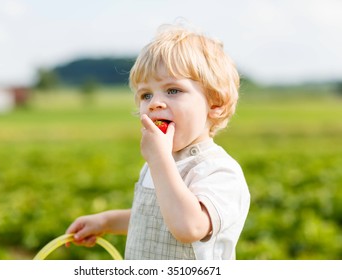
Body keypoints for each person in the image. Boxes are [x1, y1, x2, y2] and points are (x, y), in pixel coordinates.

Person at [66, 23, 250, 260]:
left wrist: (159, 159)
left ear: (215, 103)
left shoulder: (219, 171)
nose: (155, 103)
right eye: (146, 95)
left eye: (172, 90)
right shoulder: (159, 163)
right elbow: (153, 218)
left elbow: (189, 227)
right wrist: (106, 221)